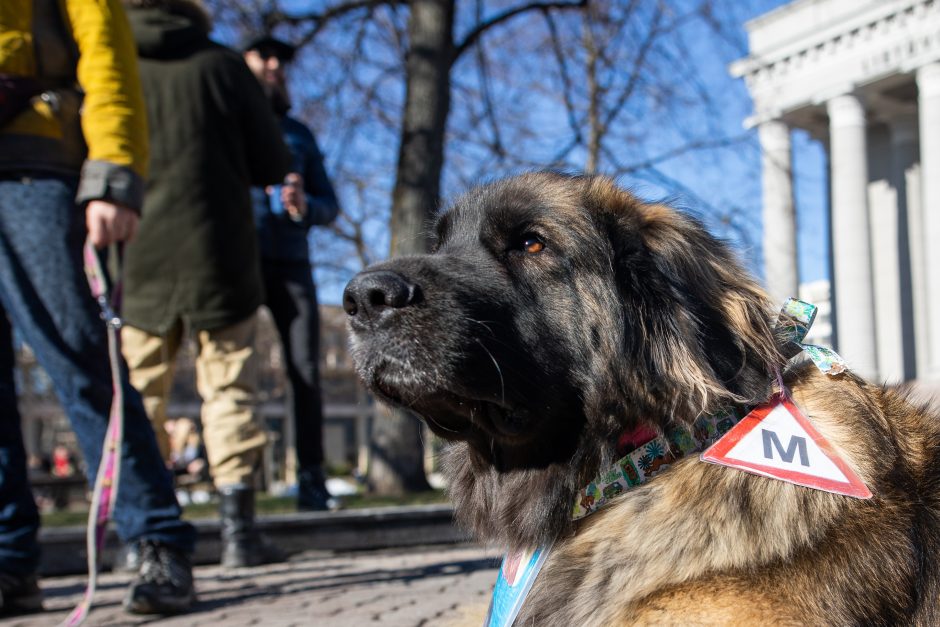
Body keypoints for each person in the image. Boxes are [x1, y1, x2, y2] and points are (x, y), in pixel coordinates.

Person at [0, 0, 197, 616]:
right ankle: (10, 557)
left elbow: (105, 49)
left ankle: (157, 538)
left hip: (33, 162)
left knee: (80, 357)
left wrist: (113, 169)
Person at [119, 0, 291, 569]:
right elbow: (270, 161)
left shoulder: (114, 61)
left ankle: (144, 537)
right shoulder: (221, 66)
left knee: (140, 396)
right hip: (219, 255)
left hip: (137, 254)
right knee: (230, 390)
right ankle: (239, 536)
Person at [243, 34, 341, 511]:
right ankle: (238, 487)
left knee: (306, 371)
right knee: (230, 369)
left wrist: (305, 207)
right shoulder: (226, 124)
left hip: (292, 263)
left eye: (282, 60)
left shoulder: (299, 133)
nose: (275, 66)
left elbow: (330, 204)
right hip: (237, 259)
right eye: (265, 56)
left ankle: (311, 480)